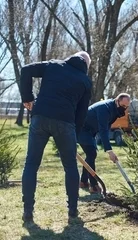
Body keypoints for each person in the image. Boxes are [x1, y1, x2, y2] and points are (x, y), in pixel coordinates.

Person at [20, 51, 92, 222]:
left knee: (31, 163)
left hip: (40, 118)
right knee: (70, 167)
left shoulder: (54, 65)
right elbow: (81, 113)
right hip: (66, 123)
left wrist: (27, 97)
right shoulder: (85, 81)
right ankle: (73, 210)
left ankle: (28, 210)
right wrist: (74, 134)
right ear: (86, 66)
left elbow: (26, 70)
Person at [77, 93, 131, 193]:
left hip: (90, 131)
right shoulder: (104, 108)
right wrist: (109, 151)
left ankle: (83, 182)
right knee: (91, 153)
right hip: (81, 129)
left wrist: (108, 148)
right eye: (123, 106)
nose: (124, 108)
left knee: (90, 155)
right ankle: (94, 186)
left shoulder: (115, 109)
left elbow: (107, 127)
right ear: (117, 100)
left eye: (126, 106)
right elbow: (103, 129)